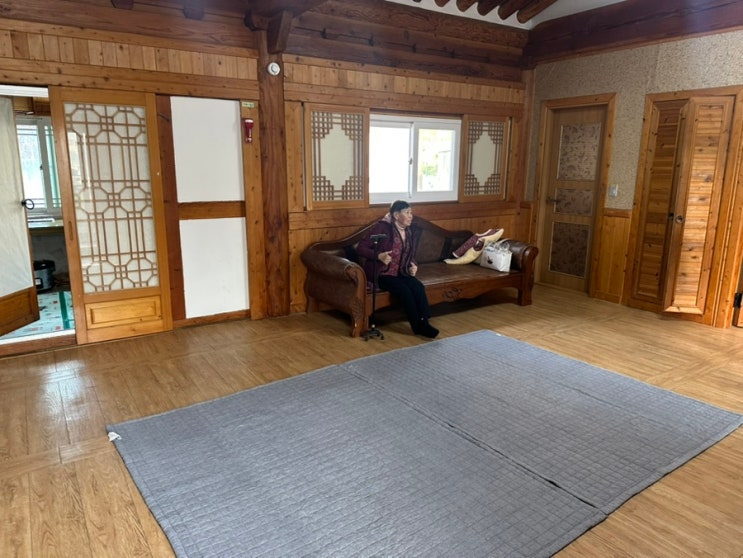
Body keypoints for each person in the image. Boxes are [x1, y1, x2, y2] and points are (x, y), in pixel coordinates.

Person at [357, 200, 439, 338]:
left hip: (401, 272)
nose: (411, 216)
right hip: (382, 273)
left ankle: (425, 322)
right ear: (396, 215)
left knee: (418, 287)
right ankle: (417, 327)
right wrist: (379, 255)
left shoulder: (409, 231)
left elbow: (410, 254)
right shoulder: (382, 228)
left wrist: (413, 265)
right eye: (407, 213)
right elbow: (361, 248)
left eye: (411, 212)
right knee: (405, 291)